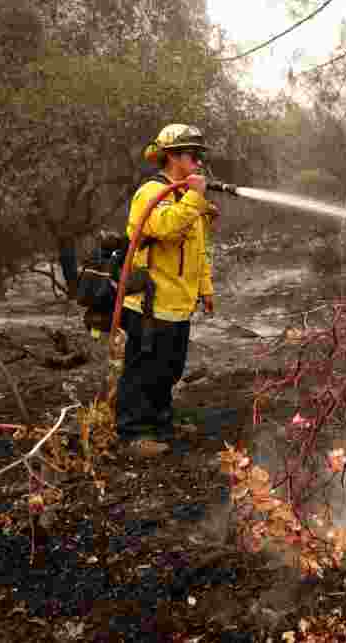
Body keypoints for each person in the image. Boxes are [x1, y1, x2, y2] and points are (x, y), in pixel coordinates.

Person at [115, 123, 216, 449]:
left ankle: (160, 425)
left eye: (200, 156)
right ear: (172, 156)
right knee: (142, 370)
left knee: (168, 370)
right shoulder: (151, 193)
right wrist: (194, 197)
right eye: (192, 156)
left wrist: (206, 289)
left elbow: (198, 250)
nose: (198, 163)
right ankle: (133, 434)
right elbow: (166, 228)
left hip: (178, 304)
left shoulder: (188, 199)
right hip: (150, 304)